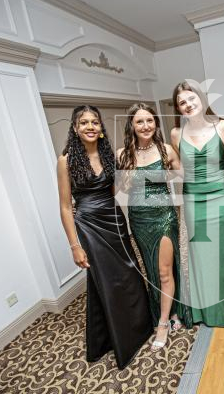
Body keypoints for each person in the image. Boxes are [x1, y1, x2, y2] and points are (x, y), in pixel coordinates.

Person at [56, 105, 152, 368]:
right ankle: (121, 339)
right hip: (89, 225)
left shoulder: (108, 154)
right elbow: (65, 206)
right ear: (75, 128)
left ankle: (140, 328)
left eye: (95, 122)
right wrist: (75, 245)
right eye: (84, 123)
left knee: (130, 274)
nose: (90, 126)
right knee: (107, 281)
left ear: (100, 128)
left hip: (114, 219)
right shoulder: (66, 160)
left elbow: (117, 189)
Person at [116, 103, 192, 352]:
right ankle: (170, 310)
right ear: (132, 126)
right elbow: (119, 190)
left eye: (150, 120)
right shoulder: (122, 155)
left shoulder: (166, 150)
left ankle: (163, 323)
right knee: (150, 271)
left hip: (164, 217)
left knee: (164, 271)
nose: (146, 126)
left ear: (156, 123)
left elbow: (187, 176)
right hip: (138, 220)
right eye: (140, 122)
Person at [170, 80, 224, 327]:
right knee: (201, 256)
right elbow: (181, 171)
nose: (188, 104)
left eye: (191, 98)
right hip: (194, 203)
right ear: (178, 109)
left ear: (201, 98)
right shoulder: (176, 134)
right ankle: (207, 312)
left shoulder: (223, 127)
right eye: (182, 102)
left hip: (221, 199)